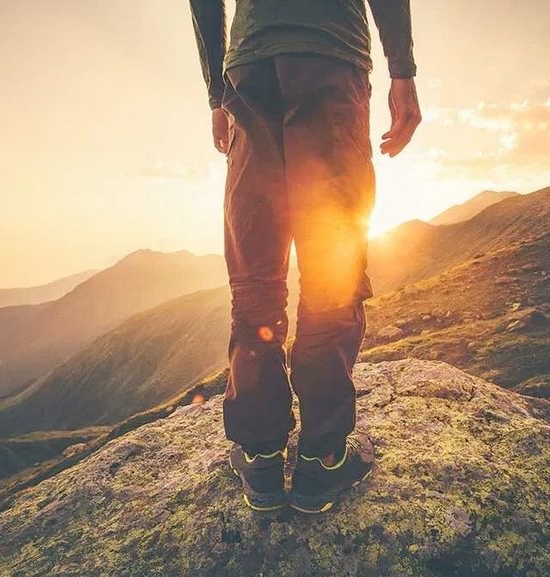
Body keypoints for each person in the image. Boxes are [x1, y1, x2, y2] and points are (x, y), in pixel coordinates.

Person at [190, 0, 421, 514]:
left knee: (255, 273)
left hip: (250, 71)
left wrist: (216, 94)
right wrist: (402, 71)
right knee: (332, 266)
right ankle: (324, 459)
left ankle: (261, 453)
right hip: (330, 56)